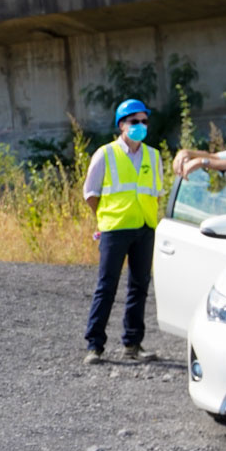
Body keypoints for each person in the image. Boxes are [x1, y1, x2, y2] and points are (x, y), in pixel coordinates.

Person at [82, 98, 163, 364]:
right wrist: (106, 217)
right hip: (115, 230)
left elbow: (156, 194)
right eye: (134, 121)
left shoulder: (153, 155)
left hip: (144, 228)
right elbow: (90, 194)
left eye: (144, 121)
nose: (140, 126)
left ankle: (133, 344)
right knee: (107, 286)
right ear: (122, 125)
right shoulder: (105, 154)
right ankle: (95, 345)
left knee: (139, 287)